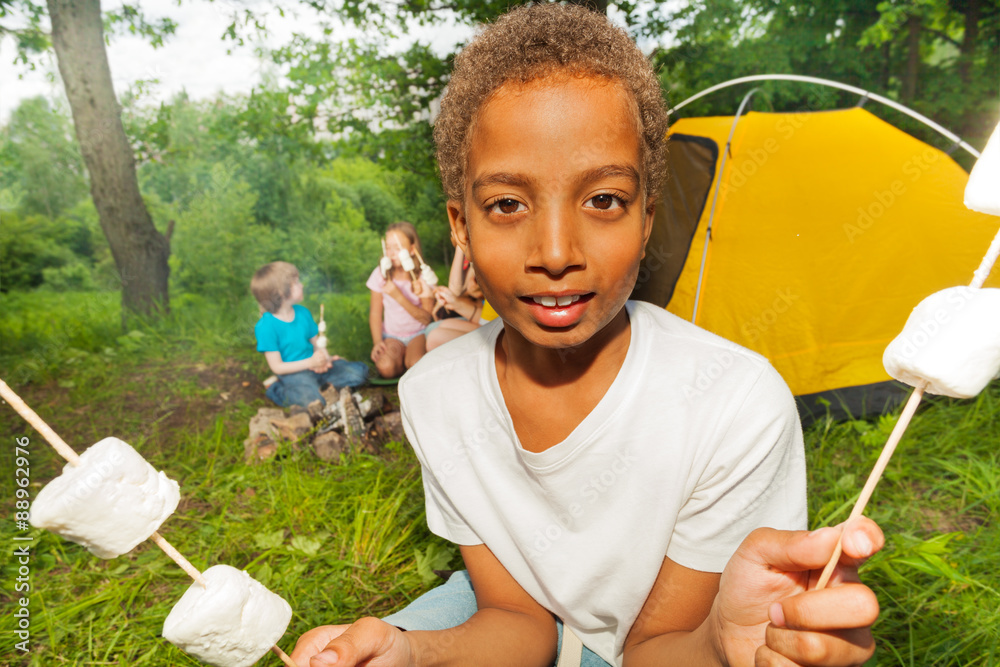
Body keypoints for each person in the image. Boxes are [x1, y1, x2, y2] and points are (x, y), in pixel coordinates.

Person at [292, 5, 883, 667]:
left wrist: (720, 646)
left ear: (648, 216)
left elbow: (655, 651)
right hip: (510, 622)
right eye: (507, 204)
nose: (554, 252)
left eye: (603, 199)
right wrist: (413, 653)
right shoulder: (434, 393)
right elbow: (518, 621)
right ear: (460, 227)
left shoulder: (734, 404)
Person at [251, 261, 368, 409]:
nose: (302, 285)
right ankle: (275, 388)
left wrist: (325, 359)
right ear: (281, 293)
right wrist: (310, 363)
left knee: (360, 372)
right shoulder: (266, 326)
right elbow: (277, 367)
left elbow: (316, 344)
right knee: (313, 400)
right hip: (293, 373)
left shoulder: (302, 313)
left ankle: (325, 387)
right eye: (296, 283)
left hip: (315, 367)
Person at [368, 222, 435, 378]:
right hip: (392, 335)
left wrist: (398, 296)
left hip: (418, 333)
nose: (391, 253)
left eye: (398, 249)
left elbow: (427, 319)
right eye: (388, 248)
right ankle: (400, 358)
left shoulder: (422, 276)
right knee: (385, 368)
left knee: (416, 365)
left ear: (412, 250)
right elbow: (375, 314)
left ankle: (409, 357)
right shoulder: (380, 274)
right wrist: (377, 341)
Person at [425, 250, 485, 352]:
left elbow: (460, 289)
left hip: (493, 325)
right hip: (484, 317)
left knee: (434, 335)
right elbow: (461, 290)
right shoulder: (470, 255)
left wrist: (455, 303)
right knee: (434, 327)